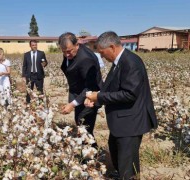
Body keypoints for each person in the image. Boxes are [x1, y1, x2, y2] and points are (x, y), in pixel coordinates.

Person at [85, 31, 158, 179]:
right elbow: (111, 88)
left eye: (102, 52)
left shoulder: (131, 62)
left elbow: (129, 94)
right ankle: (121, 174)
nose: (102, 57)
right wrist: (96, 100)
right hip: (122, 121)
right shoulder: (119, 61)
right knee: (116, 151)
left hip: (131, 122)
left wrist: (98, 96)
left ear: (112, 47)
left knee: (127, 162)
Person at [59, 32, 102, 140]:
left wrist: (72, 104)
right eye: (64, 52)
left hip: (88, 97)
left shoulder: (85, 59)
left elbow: (90, 87)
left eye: (69, 51)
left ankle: (91, 155)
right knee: (81, 125)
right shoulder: (70, 52)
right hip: (77, 92)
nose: (66, 55)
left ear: (77, 45)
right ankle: (89, 152)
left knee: (85, 130)